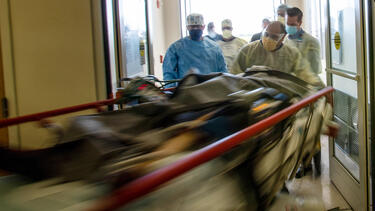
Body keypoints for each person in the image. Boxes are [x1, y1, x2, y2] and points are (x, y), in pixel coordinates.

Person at [231, 21, 323, 87]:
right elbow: (234, 75)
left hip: (280, 95)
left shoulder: (291, 53)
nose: (268, 39)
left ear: (282, 38)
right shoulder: (247, 51)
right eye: (266, 34)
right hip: (252, 94)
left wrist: (319, 87)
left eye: (274, 37)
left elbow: (305, 73)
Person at [163, 13, 227, 85]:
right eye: (192, 26)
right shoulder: (176, 48)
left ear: (203, 27)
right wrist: (171, 91)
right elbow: (168, 73)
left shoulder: (214, 48)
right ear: (187, 27)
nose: (195, 29)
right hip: (186, 91)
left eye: (198, 26)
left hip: (210, 90)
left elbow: (223, 72)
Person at [285, 7, 322, 74]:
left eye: (293, 24)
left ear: (300, 23)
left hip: (304, 82)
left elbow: (315, 69)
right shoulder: (285, 40)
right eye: (287, 24)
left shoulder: (311, 42)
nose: (289, 26)